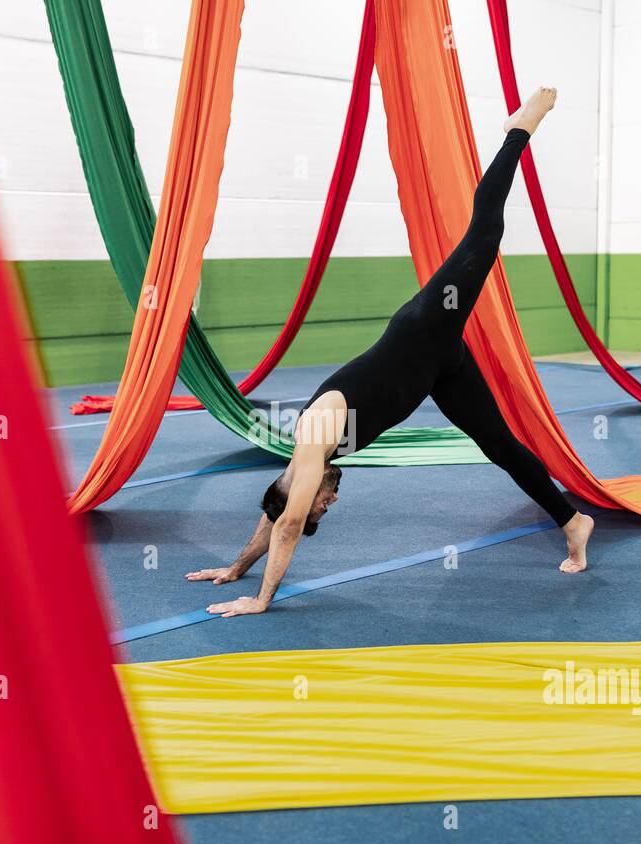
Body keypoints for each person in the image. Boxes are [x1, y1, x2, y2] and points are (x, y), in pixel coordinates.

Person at [186, 87, 594, 618]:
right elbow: (277, 512)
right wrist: (236, 567)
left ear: (301, 493)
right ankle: (572, 522)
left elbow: (287, 521)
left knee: (484, 234)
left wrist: (260, 599)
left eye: (321, 508)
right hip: (438, 367)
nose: (329, 505)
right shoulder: (301, 470)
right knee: (498, 444)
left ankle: (521, 128)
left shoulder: (313, 443)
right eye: (324, 511)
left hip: (426, 328)